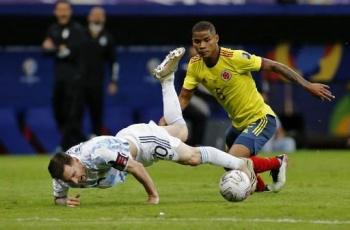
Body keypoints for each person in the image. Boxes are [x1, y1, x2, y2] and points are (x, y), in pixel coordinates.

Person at [48, 48, 256, 207]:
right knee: (181, 131)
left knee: (191, 157)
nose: (77, 180)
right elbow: (58, 195)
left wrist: (152, 196)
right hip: (128, 138)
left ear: (76, 160)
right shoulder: (63, 172)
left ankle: (240, 164)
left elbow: (135, 167)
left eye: (74, 174)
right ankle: (167, 79)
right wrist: (63, 202)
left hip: (142, 145)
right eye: (71, 179)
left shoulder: (99, 154)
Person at [173, 21, 335, 192]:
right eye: (197, 41)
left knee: (233, 159)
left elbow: (274, 65)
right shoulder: (195, 65)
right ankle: (261, 189)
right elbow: (184, 97)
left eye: (207, 40)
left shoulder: (235, 58)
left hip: (261, 119)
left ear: (216, 39)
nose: (202, 45)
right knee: (229, 164)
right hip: (238, 125)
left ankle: (277, 162)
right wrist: (165, 122)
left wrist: (307, 85)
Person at [42, 0, 86, 150]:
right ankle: (82, 141)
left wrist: (55, 48)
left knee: (72, 114)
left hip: (74, 78)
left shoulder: (78, 29)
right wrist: (58, 49)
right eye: (59, 10)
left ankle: (66, 146)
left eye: (65, 10)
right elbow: (45, 50)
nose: (62, 13)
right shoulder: (52, 29)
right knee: (58, 110)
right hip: (59, 78)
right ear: (55, 12)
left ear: (70, 11)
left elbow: (74, 51)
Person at [79, 6, 119, 136]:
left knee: (96, 113)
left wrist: (113, 81)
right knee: (75, 113)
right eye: (94, 14)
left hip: (97, 83)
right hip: (78, 82)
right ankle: (72, 142)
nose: (97, 17)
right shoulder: (80, 34)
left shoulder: (108, 37)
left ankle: (94, 139)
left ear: (104, 18)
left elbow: (113, 62)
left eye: (100, 15)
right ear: (89, 17)